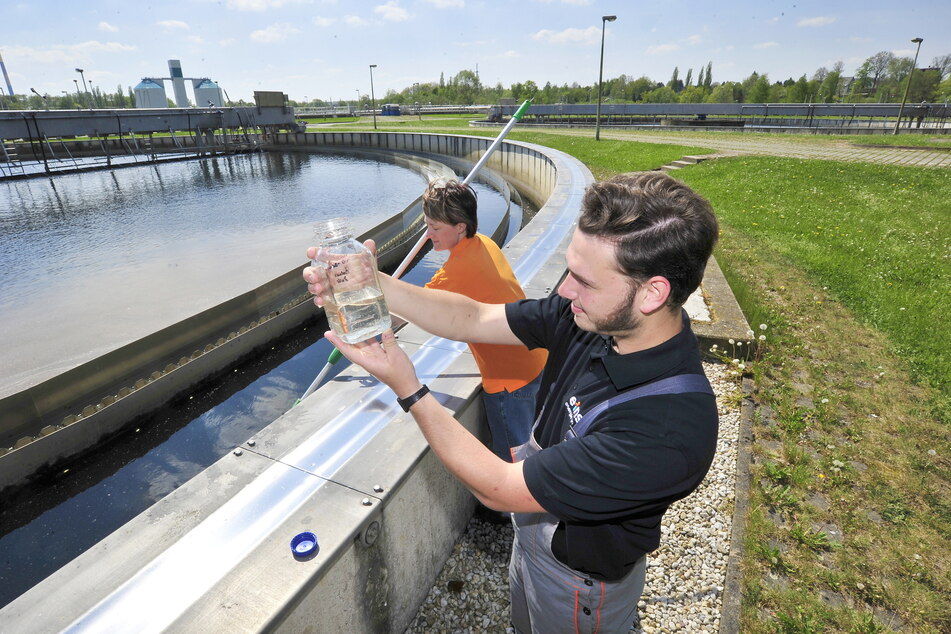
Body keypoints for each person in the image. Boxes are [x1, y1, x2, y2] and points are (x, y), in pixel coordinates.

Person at [303, 171, 720, 633]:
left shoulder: (667, 430)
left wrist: (410, 389)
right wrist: (373, 282)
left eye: (584, 281)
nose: (563, 291)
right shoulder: (596, 320)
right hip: (532, 537)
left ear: (652, 293)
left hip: (579, 582)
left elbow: (498, 487)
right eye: (569, 271)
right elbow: (474, 317)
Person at [419, 178, 547, 463]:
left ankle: (514, 509)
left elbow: (411, 309)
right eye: (427, 226)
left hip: (510, 381)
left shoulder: (457, 271)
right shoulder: (484, 243)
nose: (428, 235)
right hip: (535, 356)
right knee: (532, 444)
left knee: (513, 459)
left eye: (435, 228)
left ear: (460, 226)